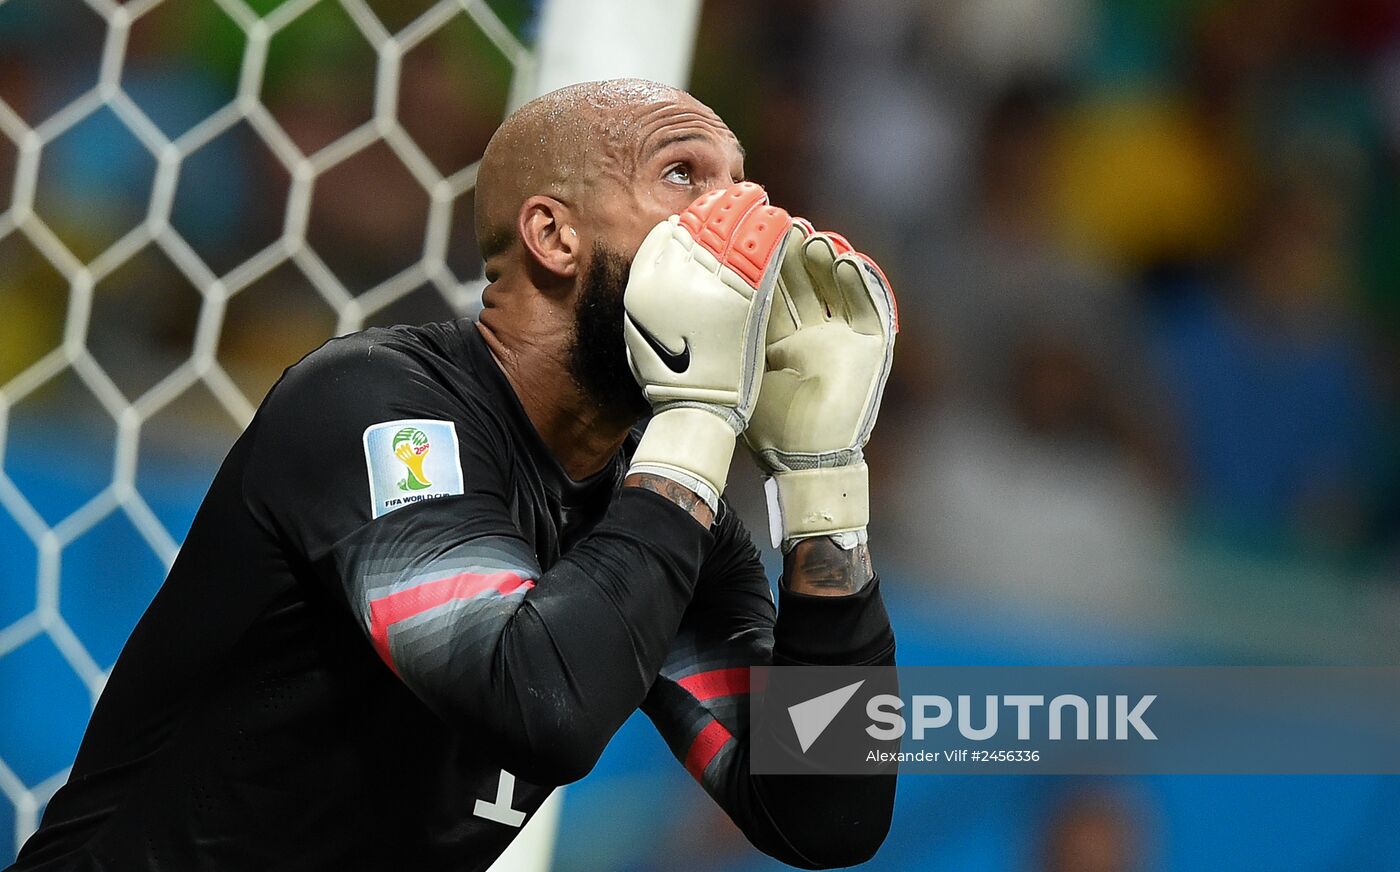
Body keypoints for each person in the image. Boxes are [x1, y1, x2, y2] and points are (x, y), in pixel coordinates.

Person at [9, 79, 898, 871]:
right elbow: (534, 702)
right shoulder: (370, 406)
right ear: (552, 236)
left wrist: (824, 489)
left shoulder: (669, 511)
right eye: (684, 176)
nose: (744, 222)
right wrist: (702, 414)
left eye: (744, 184)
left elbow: (826, 817)